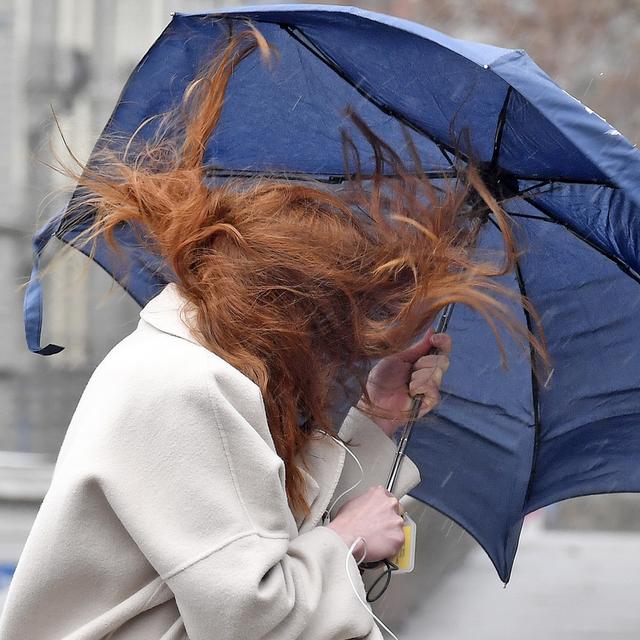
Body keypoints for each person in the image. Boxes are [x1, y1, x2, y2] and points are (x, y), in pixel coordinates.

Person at [0, 24, 543, 640]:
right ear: (295, 310)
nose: (350, 347)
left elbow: (262, 546)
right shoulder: (188, 385)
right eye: (348, 320)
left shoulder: (197, 365)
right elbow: (254, 616)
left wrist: (377, 420)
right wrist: (346, 542)